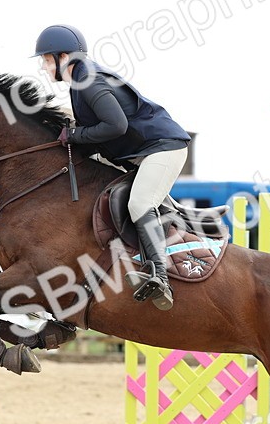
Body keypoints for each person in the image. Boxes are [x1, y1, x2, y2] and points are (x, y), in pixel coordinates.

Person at [33, 24, 190, 311]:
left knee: (140, 203)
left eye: (45, 60)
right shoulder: (80, 81)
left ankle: (160, 276)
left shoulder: (89, 81)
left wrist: (76, 135)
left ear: (63, 57)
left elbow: (116, 126)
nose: (44, 68)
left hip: (163, 148)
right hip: (141, 153)